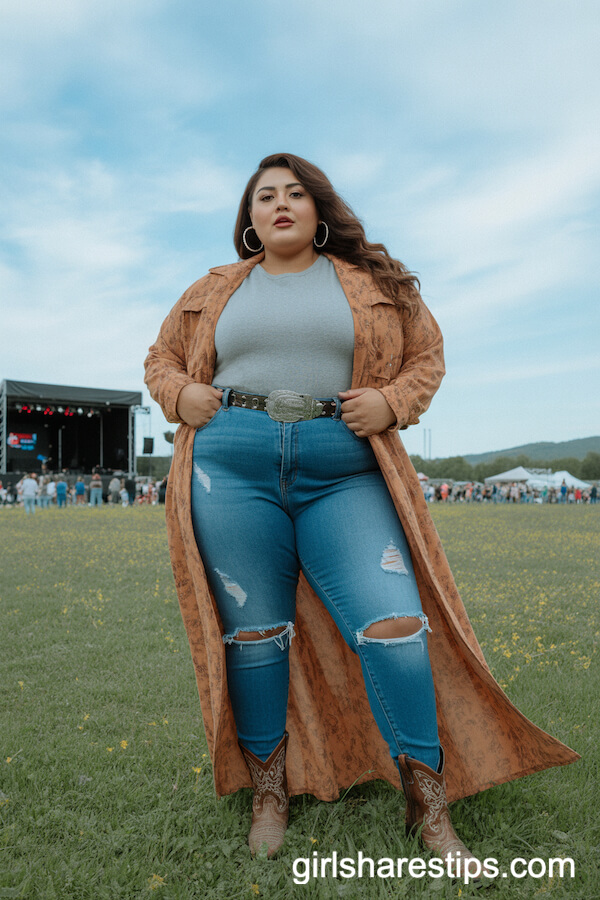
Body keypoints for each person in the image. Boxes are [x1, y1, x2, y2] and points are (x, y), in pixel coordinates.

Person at [144, 153, 578, 865]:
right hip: (230, 472)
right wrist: (179, 393)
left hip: (344, 474)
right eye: (264, 196)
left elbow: (427, 356)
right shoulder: (212, 289)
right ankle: (269, 794)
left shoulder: (371, 284)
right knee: (255, 637)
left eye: (295, 193)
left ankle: (429, 807)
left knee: (395, 625)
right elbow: (160, 357)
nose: (280, 204)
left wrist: (393, 402)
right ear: (249, 219)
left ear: (318, 209)